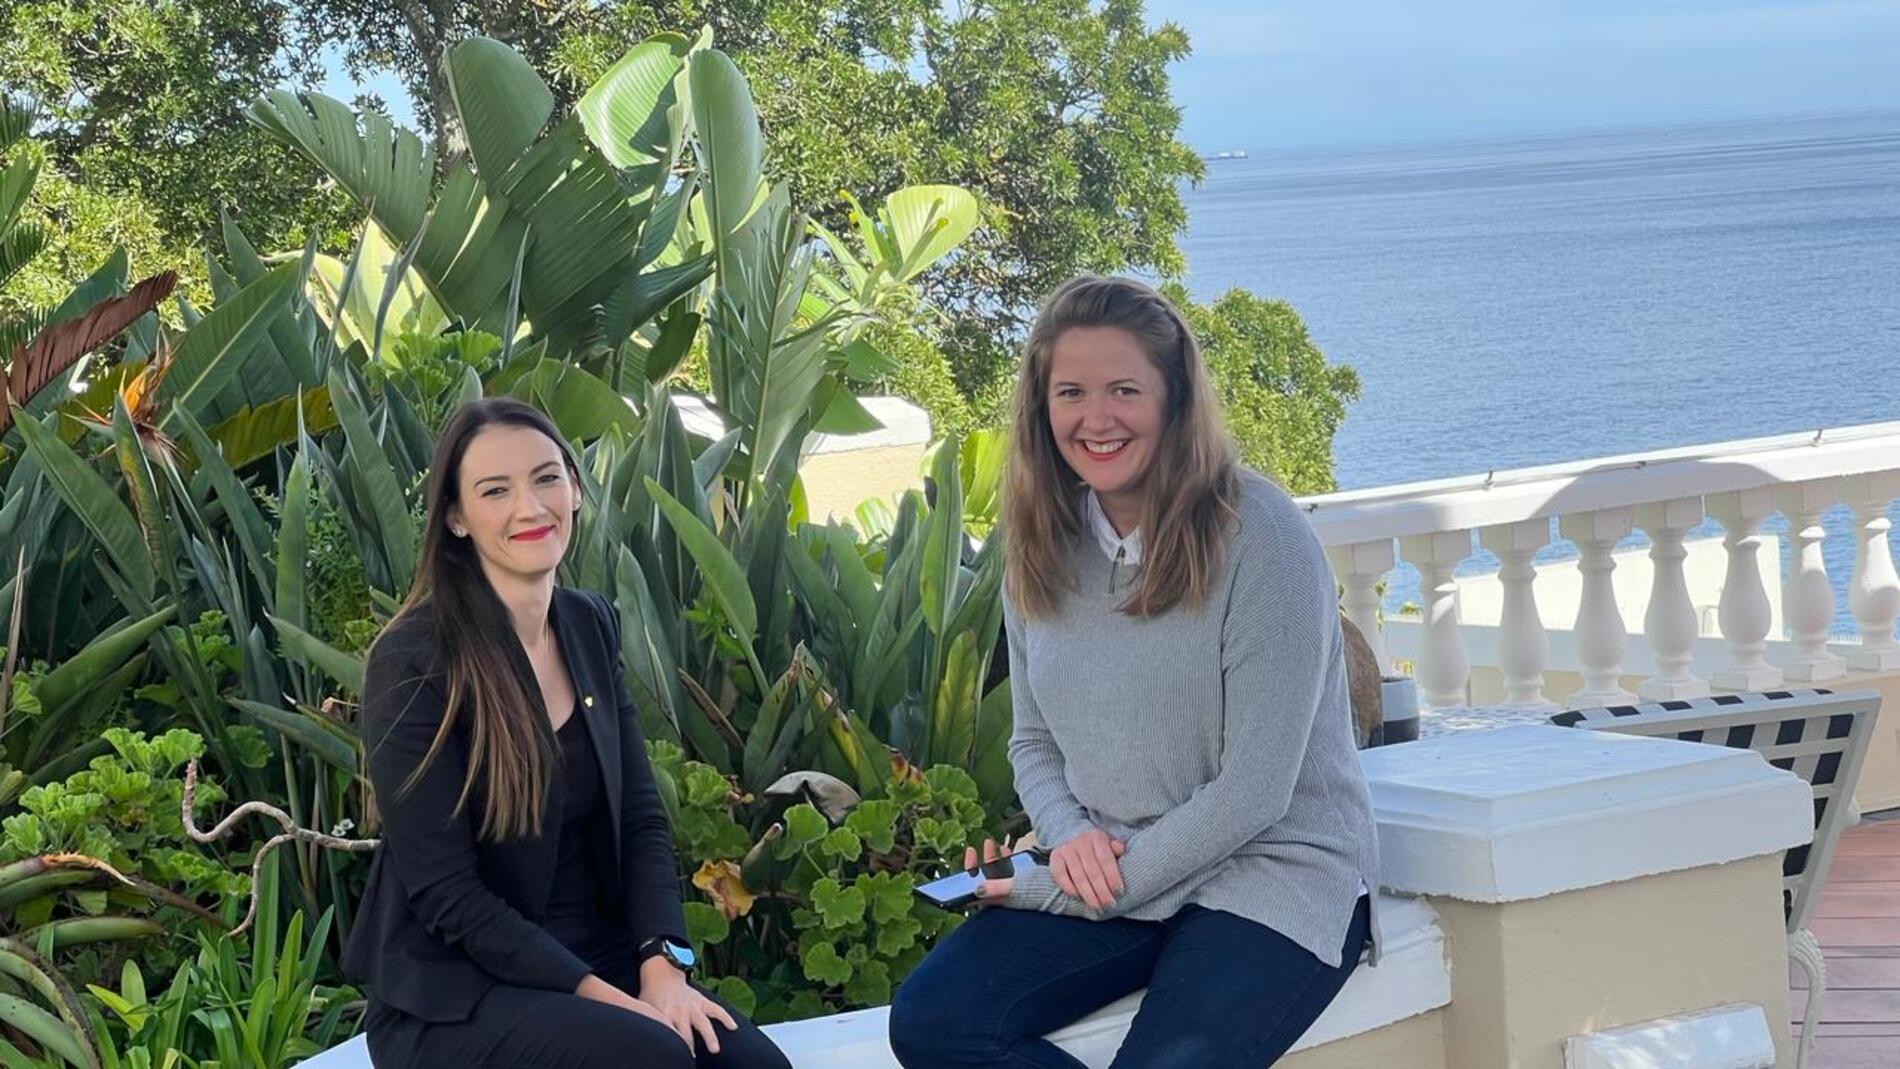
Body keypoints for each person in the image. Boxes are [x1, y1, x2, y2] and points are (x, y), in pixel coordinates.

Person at [888, 276, 1381, 1069]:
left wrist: (1066, 884)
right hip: (1115, 864)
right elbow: (1033, 741)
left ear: (1175, 398)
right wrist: (1071, 835)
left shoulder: (1262, 536)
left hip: (1269, 871)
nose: (1097, 417)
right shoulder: (1038, 547)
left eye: (1125, 389)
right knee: (935, 1019)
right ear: (1042, 409)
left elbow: (1256, 789)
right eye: (1072, 392)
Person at [343, 398, 791, 1069]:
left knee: (752, 1066)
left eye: (547, 478)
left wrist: (663, 967)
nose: (530, 507)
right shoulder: (413, 658)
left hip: (594, 951)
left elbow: (640, 817)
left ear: (576, 491)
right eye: (496, 490)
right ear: (457, 517)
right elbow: (449, 896)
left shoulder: (588, 624)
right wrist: (604, 999)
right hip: (456, 992)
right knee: (650, 1057)